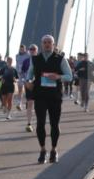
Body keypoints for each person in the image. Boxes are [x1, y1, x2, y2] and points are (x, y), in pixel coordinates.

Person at [29, 35, 73, 164]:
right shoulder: (35, 59)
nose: (47, 44)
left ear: (53, 45)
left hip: (55, 96)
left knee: (54, 124)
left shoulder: (60, 59)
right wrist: (27, 81)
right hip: (40, 95)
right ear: (41, 44)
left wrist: (58, 77)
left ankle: (54, 150)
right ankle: (43, 150)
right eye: (45, 42)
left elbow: (69, 76)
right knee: (40, 124)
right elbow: (29, 75)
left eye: (49, 42)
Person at [20, 44, 38, 132]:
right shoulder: (26, 61)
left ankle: (39, 121)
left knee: (39, 104)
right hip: (29, 84)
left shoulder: (40, 60)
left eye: (34, 49)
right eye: (31, 49)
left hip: (39, 84)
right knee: (30, 103)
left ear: (37, 51)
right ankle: (29, 123)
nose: (32, 51)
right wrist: (24, 81)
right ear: (28, 51)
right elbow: (22, 73)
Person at [14, 44, 30, 110]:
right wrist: (17, 73)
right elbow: (17, 64)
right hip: (20, 74)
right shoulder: (17, 56)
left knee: (27, 89)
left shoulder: (28, 55)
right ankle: (19, 104)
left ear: (25, 49)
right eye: (20, 49)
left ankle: (28, 102)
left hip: (27, 74)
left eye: (23, 49)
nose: (22, 50)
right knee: (20, 90)